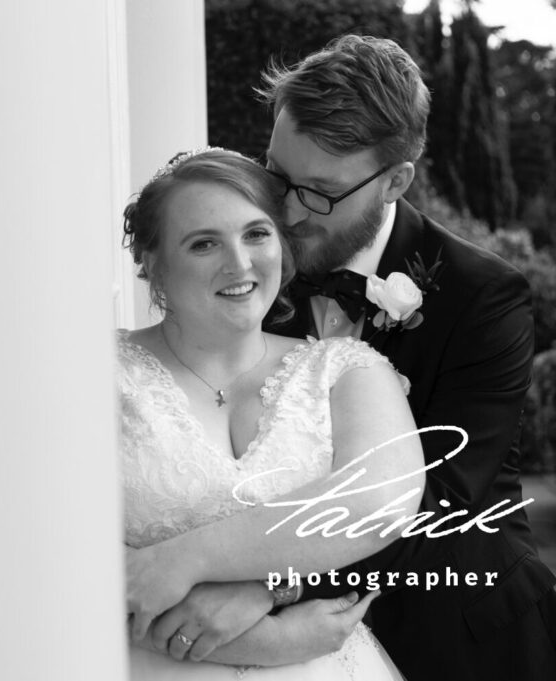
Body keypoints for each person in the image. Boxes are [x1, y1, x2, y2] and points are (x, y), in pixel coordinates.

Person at [159, 35, 556, 680]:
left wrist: (266, 582)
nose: (284, 210)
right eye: (276, 175)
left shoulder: (484, 296)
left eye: (318, 191)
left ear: (397, 179)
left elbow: (441, 499)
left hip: (456, 631)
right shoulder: (250, 270)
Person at [118, 147, 424, 679]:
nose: (239, 264)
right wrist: (270, 639)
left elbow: (379, 503)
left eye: (256, 234)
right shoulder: (96, 373)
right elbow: (54, 557)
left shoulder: (347, 370)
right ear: (152, 263)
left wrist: (179, 562)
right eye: (203, 243)